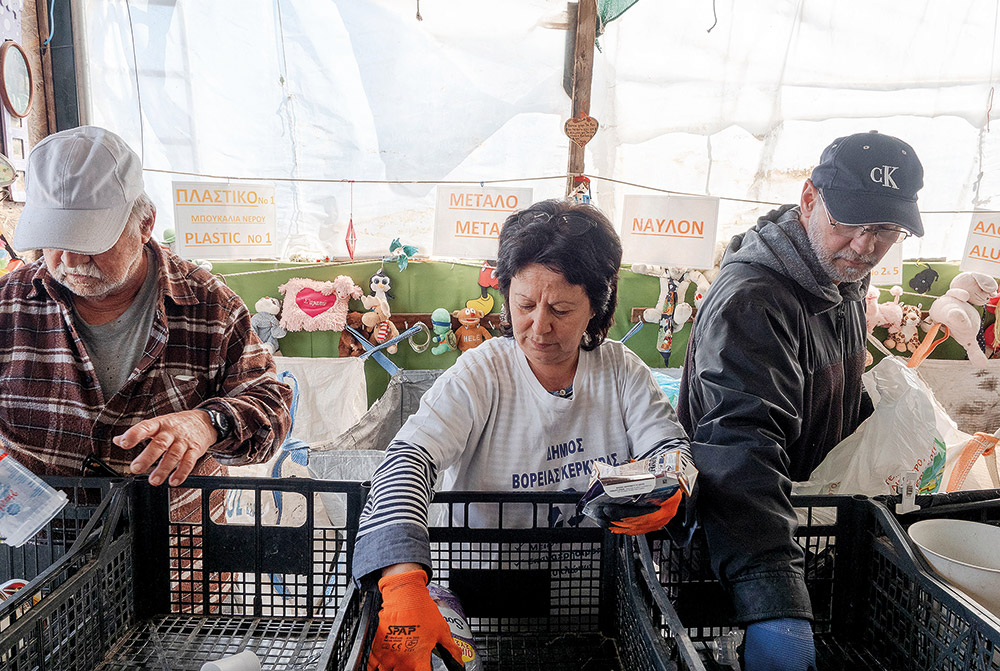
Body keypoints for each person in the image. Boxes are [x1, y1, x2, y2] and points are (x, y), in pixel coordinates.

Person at [353, 199, 693, 671]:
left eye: (561, 309)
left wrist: (670, 484)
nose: (538, 326)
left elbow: (671, 449)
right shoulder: (482, 373)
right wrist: (402, 579)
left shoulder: (620, 372)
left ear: (597, 307)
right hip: (482, 607)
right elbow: (408, 458)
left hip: (591, 616)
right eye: (525, 304)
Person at [677, 131, 925, 670]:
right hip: (740, 548)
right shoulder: (754, 302)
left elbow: (832, 399)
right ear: (810, 198)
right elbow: (740, 450)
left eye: (885, 228)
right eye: (850, 222)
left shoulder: (841, 282)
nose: (866, 244)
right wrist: (773, 601)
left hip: (811, 528)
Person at [0, 126, 292, 512]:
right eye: (56, 239)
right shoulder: (9, 305)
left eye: (89, 240)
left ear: (145, 224)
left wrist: (208, 424)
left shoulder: (209, 307)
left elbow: (270, 406)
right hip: (39, 555)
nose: (70, 261)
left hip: (176, 553)